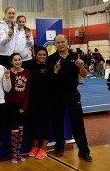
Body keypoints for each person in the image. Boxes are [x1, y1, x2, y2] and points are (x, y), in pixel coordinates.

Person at [46, 34, 92, 162]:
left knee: (78, 123)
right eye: (58, 42)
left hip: (73, 94)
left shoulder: (75, 57)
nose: (60, 44)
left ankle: (83, 151)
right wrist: (55, 71)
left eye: (62, 42)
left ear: (67, 42)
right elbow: (49, 80)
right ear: (55, 44)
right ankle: (59, 147)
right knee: (57, 123)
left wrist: (81, 67)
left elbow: (84, 75)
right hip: (57, 95)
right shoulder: (51, 59)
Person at [28, 46, 54, 159]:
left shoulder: (50, 68)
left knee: (45, 124)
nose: (42, 56)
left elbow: (54, 84)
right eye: (40, 54)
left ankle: (43, 148)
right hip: (33, 101)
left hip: (46, 101)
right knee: (33, 123)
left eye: (44, 55)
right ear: (36, 55)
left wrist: (56, 72)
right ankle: (34, 147)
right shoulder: (30, 67)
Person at [4, 53, 30, 164]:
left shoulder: (27, 72)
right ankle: (13, 154)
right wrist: (11, 75)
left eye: (19, 59)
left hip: (22, 105)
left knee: (20, 130)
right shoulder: (8, 72)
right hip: (11, 105)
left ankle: (18, 153)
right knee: (14, 130)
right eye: (15, 60)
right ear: (11, 61)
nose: (18, 62)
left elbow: (27, 91)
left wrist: (24, 106)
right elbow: (7, 89)